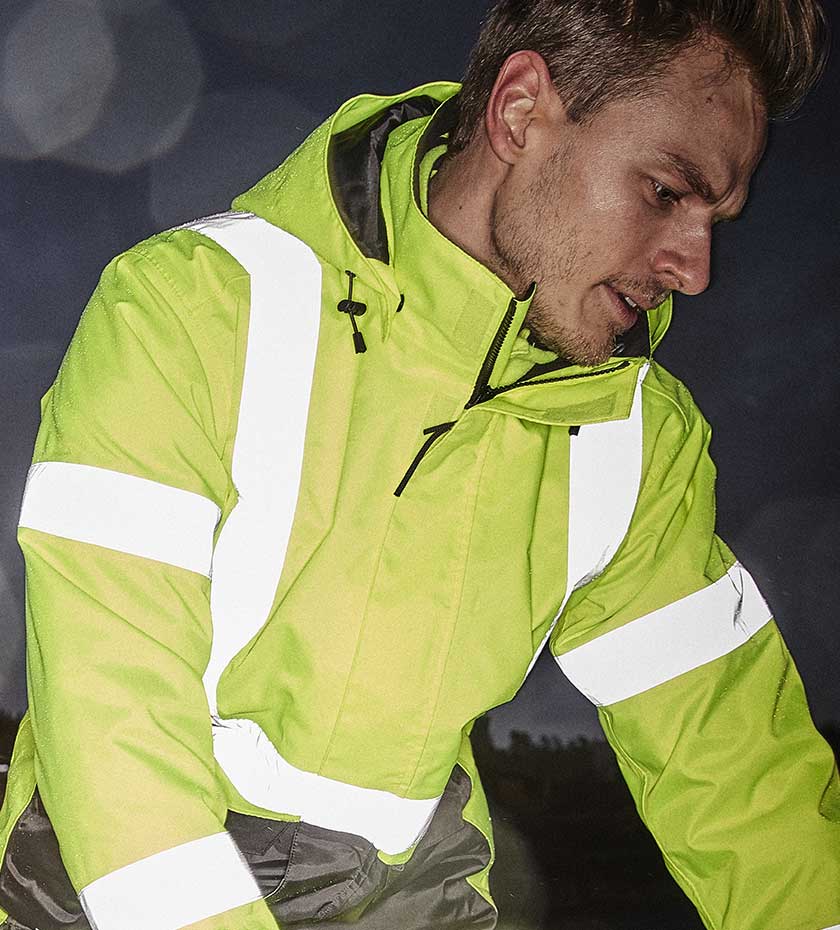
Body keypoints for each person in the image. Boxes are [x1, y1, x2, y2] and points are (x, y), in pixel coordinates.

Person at [0, 0, 837, 928]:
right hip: (117, 884)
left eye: (718, 216)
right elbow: (111, 715)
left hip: (410, 896)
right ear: (521, 113)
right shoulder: (187, 312)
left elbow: (736, 771)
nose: (695, 266)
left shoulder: (636, 436)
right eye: (667, 191)